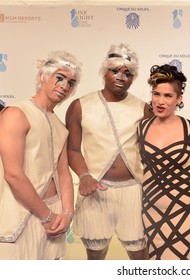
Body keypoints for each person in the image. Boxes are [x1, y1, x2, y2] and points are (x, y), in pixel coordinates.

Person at [65, 43, 152, 260]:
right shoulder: (80, 105)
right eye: (115, 71)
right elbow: (73, 149)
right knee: (95, 257)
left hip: (134, 190)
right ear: (104, 71)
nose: (121, 77)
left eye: (128, 73)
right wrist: (84, 177)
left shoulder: (143, 108)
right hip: (95, 191)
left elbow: (158, 148)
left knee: (140, 257)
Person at [0, 50, 81, 259]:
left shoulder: (60, 126)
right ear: (43, 76)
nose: (64, 86)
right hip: (21, 215)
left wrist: (67, 214)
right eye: (59, 78)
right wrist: (47, 216)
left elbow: (63, 174)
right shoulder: (16, 113)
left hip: (54, 219)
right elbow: (13, 174)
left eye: (71, 83)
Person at [137, 64, 190, 260]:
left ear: (179, 99)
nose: (160, 101)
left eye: (168, 96)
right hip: (151, 210)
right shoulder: (141, 128)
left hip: (185, 210)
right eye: (156, 94)